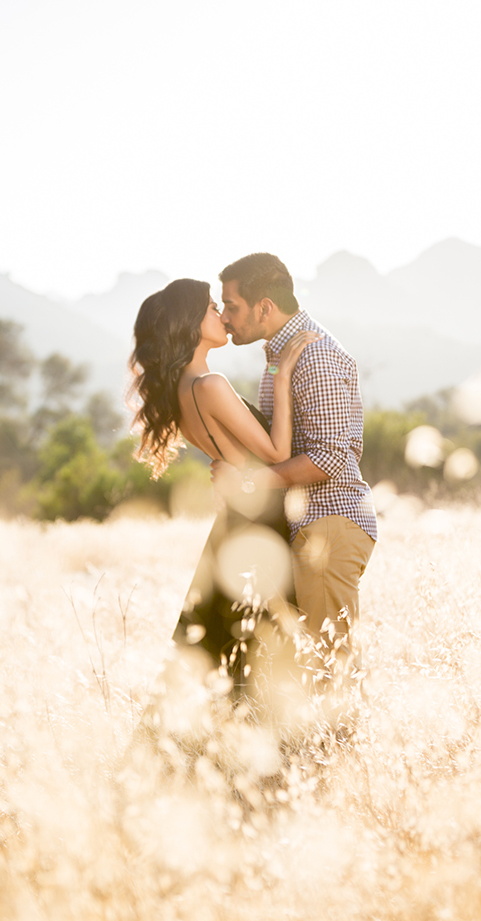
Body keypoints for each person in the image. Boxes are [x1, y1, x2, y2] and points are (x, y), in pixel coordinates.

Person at [129, 278, 317, 705]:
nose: (222, 316)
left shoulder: (183, 389)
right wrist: (282, 373)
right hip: (258, 520)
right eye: (213, 309)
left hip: (238, 518)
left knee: (232, 648)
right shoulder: (209, 384)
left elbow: (234, 457)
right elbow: (277, 451)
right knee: (260, 646)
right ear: (191, 324)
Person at [211, 253, 378, 691]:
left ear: (265, 307)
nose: (226, 318)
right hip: (308, 525)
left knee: (332, 670)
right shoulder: (280, 357)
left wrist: (248, 483)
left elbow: (327, 459)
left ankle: (345, 758)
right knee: (311, 667)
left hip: (329, 524)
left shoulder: (314, 357)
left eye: (232, 306)